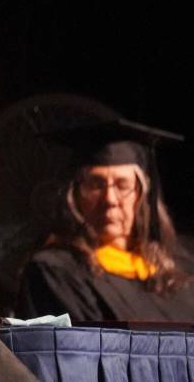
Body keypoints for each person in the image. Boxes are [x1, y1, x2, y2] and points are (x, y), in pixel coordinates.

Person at [15, 118, 194, 322]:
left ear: (142, 195)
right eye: (96, 184)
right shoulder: (56, 272)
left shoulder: (183, 265)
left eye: (122, 185)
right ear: (76, 195)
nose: (110, 199)